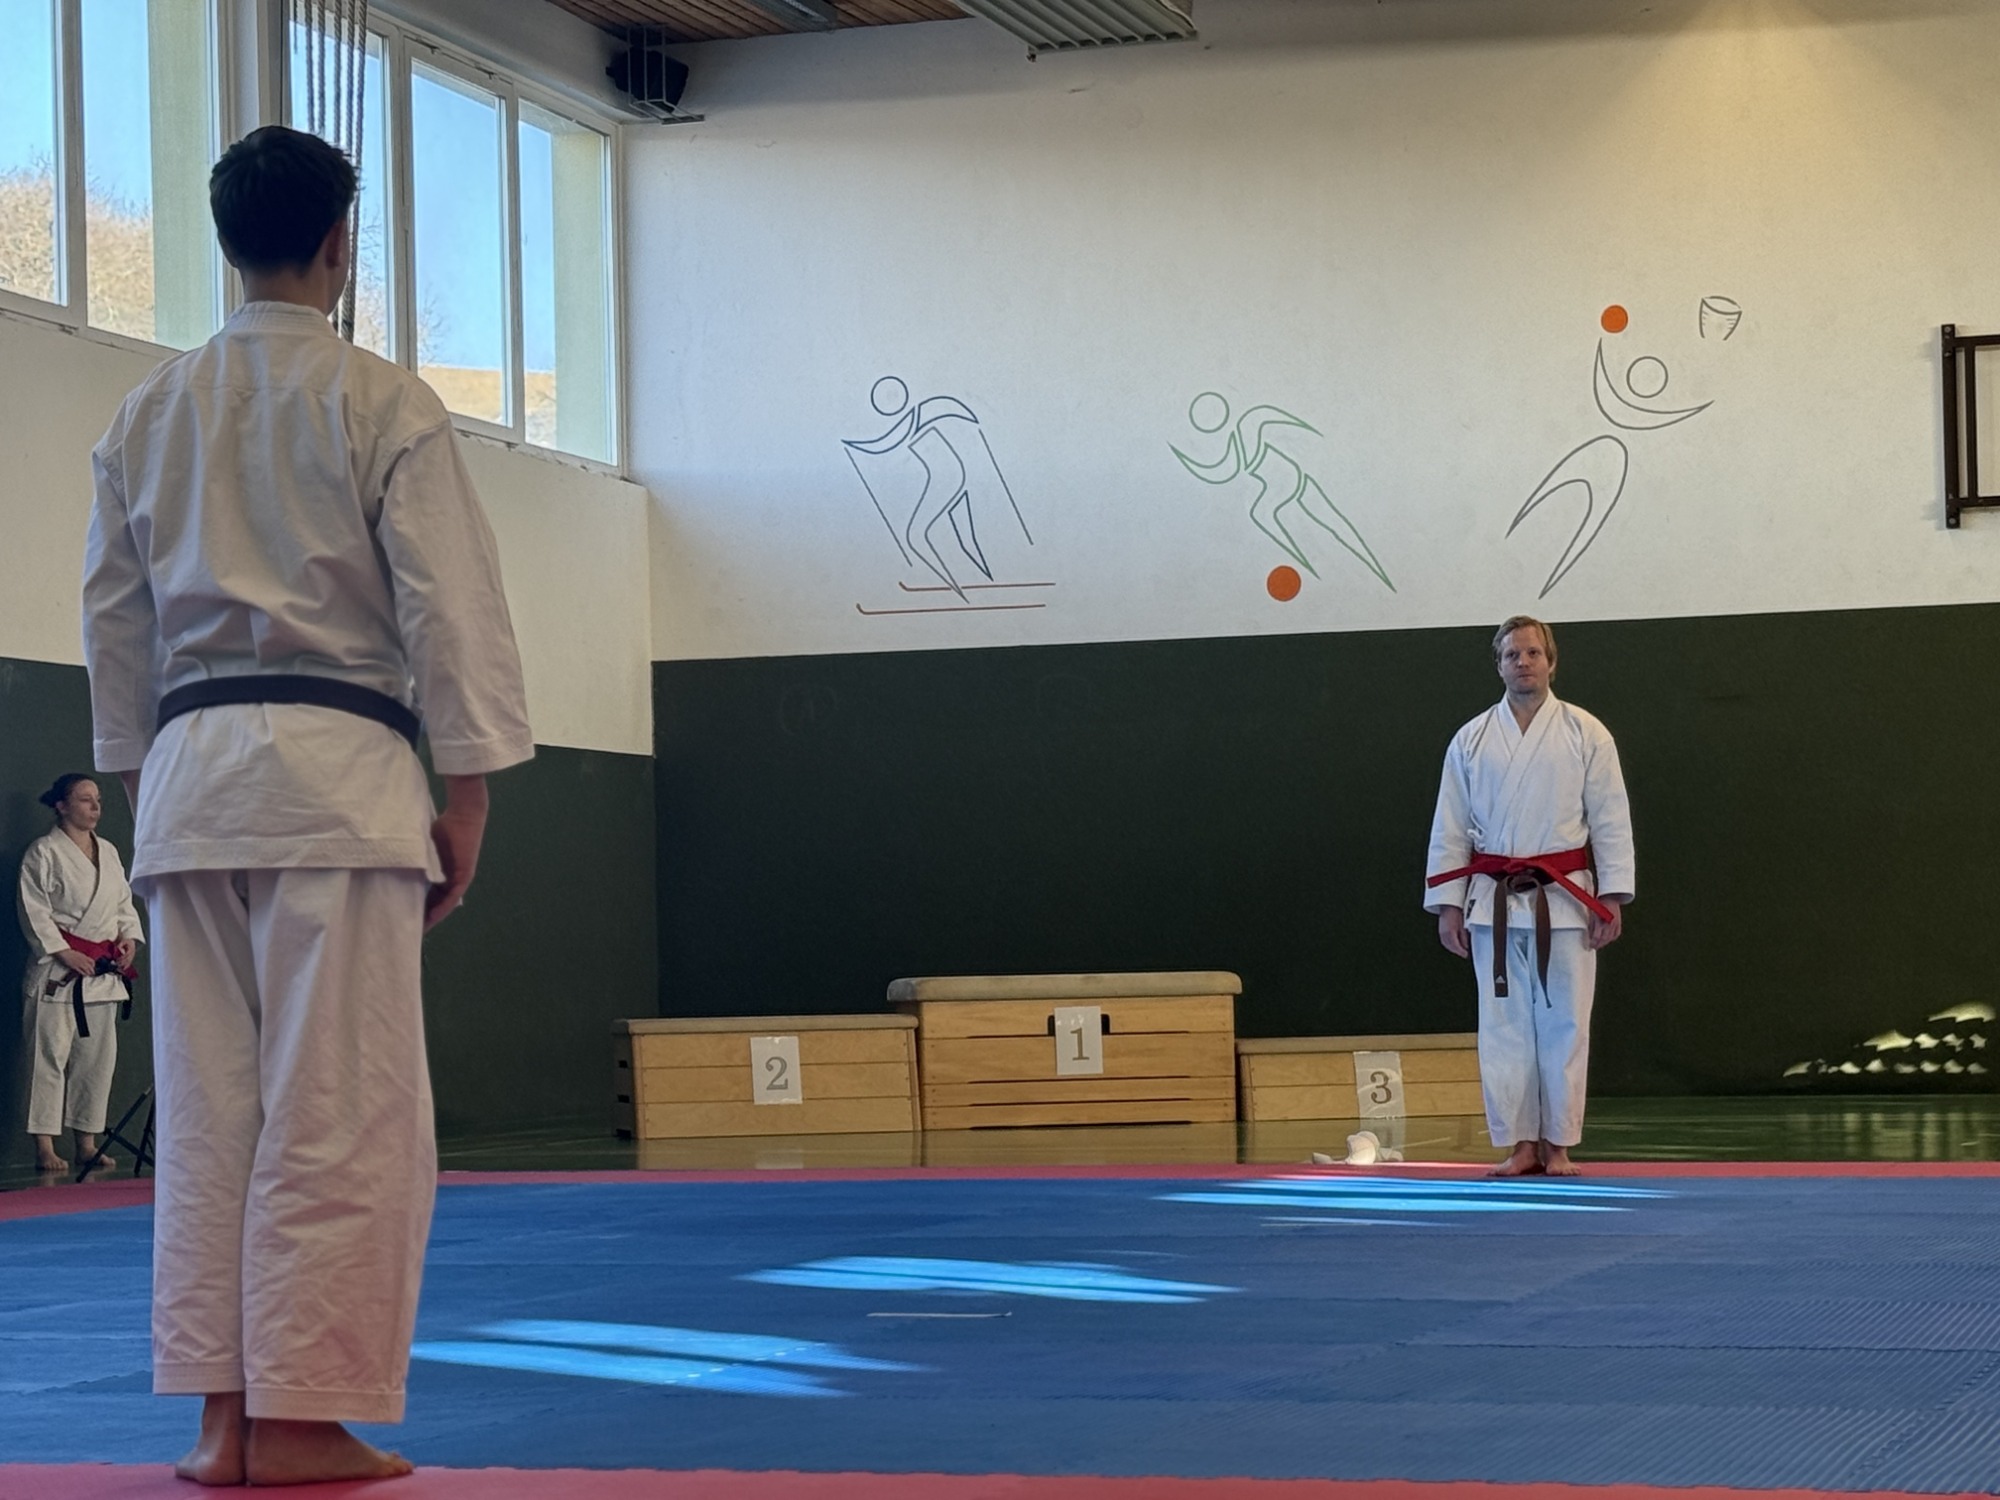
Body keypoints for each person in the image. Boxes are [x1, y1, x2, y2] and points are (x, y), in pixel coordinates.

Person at [81, 126, 532, 1486]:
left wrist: (142, 785)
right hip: (338, 783)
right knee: (338, 1107)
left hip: (189, 782)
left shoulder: (146, 414)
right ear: (341, 244)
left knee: (208, 1110)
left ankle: (221, 1417)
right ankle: (300, 1417)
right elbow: (449, 607)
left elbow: (116, 625)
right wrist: (467, 795)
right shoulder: (381, 402)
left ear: (228, 244)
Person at [1423, 615, 1634, 1177]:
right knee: (1503, 1029)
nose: (1523, 662)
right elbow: (1451, 825)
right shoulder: (1471, 739)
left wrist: (1611, 897)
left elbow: (1610, 819)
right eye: (1512, 654)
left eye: (1533, 653)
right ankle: (1520, 1144)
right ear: (1498, 665)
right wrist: (1449, 904)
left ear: (1551, 662)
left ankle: (1559, 1144)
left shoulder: (1586, 733)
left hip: (1565, 901)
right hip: (1492, 900)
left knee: (1566, 1023)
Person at [17, 773, 142, 1174]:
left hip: (101, 976)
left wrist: (128, 940)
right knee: (48, 1060)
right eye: (85, 799)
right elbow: (34, 910)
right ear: (61, 805)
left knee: (96, 1064)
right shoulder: (43, 852)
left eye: (98, 799)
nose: (95, 806)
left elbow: (123, 905)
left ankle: (86, 1144)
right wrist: (65, 952)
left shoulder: (109, 851)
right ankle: (44, 1147)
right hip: (58, 974)